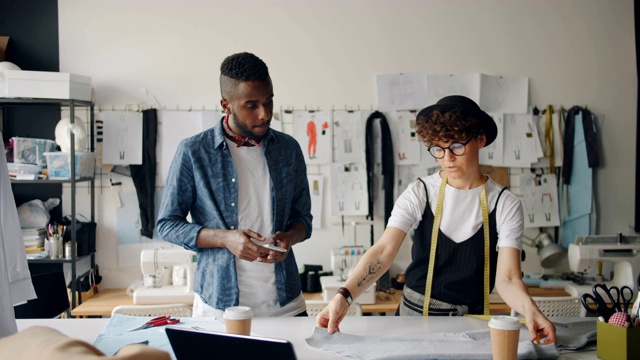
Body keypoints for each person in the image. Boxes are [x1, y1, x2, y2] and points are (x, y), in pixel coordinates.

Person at [317, 95, 557, 344]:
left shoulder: (505, 204)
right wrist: (343, 297)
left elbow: (507, 279)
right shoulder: (420, 192)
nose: (447, 158)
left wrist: (531, 311)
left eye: (456, 146)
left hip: (470, 324)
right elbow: (382, 252)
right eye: (438, 149)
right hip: (412, 320)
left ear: (480, 139)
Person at [157, 52, 313, 318]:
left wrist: (288, 238)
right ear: (226, 104)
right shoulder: (194, 152)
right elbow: (167, 225)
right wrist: (226, 239)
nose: (265, 114)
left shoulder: (289, 149)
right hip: (219, 307)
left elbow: (303, 220)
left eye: (269, 101)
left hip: (286, 306)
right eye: (251, 105)